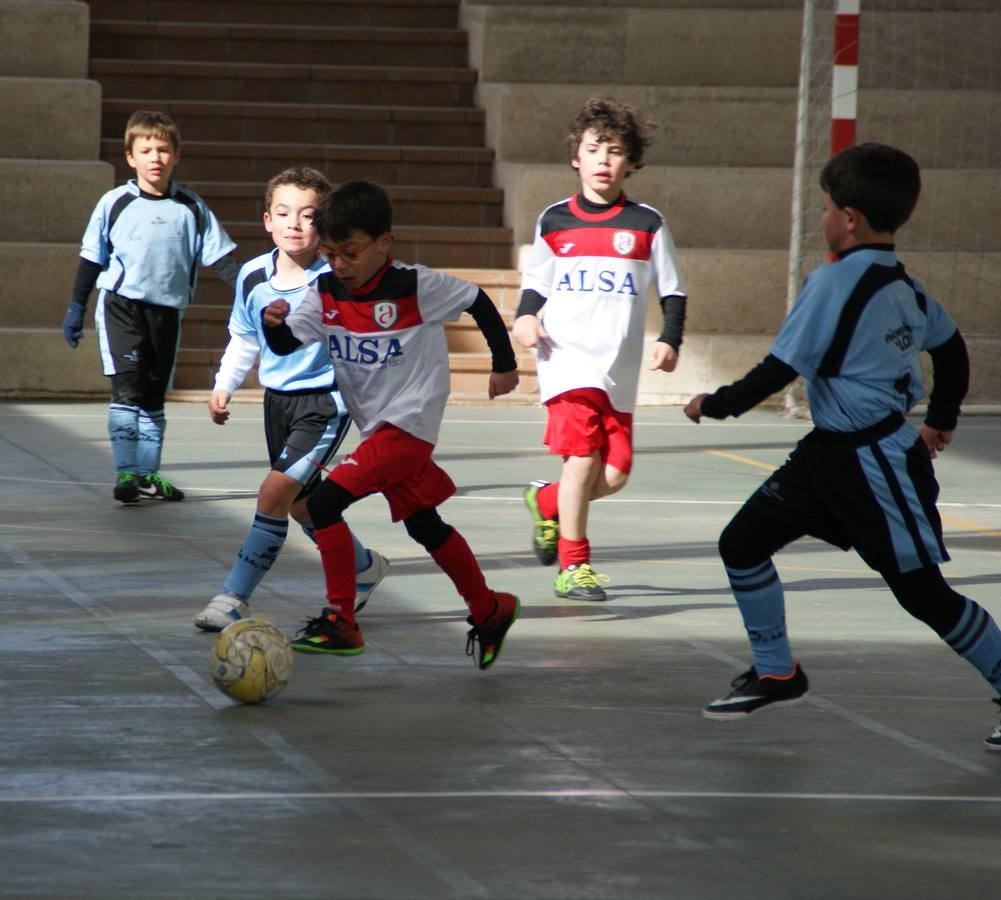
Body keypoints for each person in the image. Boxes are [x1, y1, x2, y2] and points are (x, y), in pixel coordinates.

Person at [684, 142, 1001, 750]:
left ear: (849, 217)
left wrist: (715, 403)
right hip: (827, 453)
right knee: (742, 543)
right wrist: (942, 418)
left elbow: (781, 369)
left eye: (826, 207)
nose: (823, 218)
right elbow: (952, 348)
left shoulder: (832, 282)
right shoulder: (903, 286)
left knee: (923, 594)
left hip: (875, 463)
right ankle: (776, 671)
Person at [261, 179, 521, 670]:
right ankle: (490, 609)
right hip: (377, 429)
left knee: (323, 504)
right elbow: (287, 346)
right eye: (331, 252)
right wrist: (273, 325)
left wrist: (503, 364)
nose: (340, 263)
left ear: (385, 242)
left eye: (351, 251)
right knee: (426, 524)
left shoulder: (416, 285)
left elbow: (479, 301)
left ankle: (342, 620)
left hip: (410, 425)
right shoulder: (324, 292)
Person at [193, 167, 389, 632]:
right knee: (302, 506)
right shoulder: (252, 276)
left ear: (323, 223)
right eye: (284, 213)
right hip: (277, 403)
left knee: (274, 492)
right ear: (267, 220)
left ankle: (233, 597)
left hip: (325, 403)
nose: (294, 223)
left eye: (307, 215)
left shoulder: (336, 276)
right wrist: (225, 384)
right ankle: (363, 568)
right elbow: (244, 337)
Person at [512, 97, 688, 601]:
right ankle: (574, 566)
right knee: (583, 461)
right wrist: (525, 317)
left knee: (613, 475)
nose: (604, 160)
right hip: (566, 359)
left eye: (615, 151)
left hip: (620, 367)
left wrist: (669, 340)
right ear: (577, 157)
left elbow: (672, 290)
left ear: (630, 161)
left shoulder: (646, 223)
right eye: (594, 149)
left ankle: (546, 502)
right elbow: (536, 285)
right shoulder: (554, 221)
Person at [62, 109, 239, 504]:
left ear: (176, 155)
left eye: (163, 149)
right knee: (128, 388)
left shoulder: (191, 208)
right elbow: (92, 259)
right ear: (130, 157)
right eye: (146, 149)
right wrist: (76, 307)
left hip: (167, 313)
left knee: (155, 397)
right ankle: (126, 471)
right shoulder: (115, 203)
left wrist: (256, 293)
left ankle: (148, 474)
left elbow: (223, 260)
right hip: (122, 307)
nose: (155, 157)